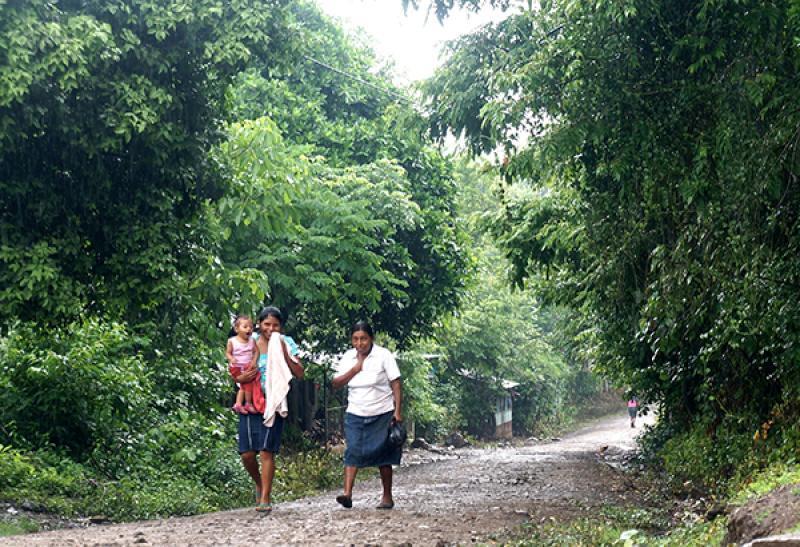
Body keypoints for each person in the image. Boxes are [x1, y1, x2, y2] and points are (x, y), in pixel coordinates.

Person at [231, 306, 304, 513]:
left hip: (273, 401)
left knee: (266, 451)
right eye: (266, 324)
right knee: (246, 453)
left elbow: (299, 372)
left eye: (275, 325)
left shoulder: (285, 342)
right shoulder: (248, 340)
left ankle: (265, 498)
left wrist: (283, 353)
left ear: (281, 326)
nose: (270, 329)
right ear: (259, 324)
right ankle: (259, 483)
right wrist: (239, 377)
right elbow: (235, 366)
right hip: (250, 402)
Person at [332, 320, 402, 510]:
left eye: (363, 338)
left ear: (371, 338)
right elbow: (336, 382)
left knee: (384, 455)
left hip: (382, 412)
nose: (360, 343)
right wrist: (356, 368)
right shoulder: (347, 357)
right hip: (356, 411)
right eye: (355, 339)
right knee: (352, 450)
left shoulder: (383, 355)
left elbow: (396, 383)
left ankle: (387, 496)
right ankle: (347, 494)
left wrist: (397, 411)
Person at [226, 315, 259, 414]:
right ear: (236, 329)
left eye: (251, 327)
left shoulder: (252, 341)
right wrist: (231, 358)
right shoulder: (232, 341)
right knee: (244, 385)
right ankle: (243, 404)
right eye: (245, 327)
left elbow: (256, 351)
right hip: (236, 367)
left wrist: (254, 361)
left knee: (246, 385)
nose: (248, 329)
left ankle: (243, 404)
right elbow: (228, 352)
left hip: (247, 366)